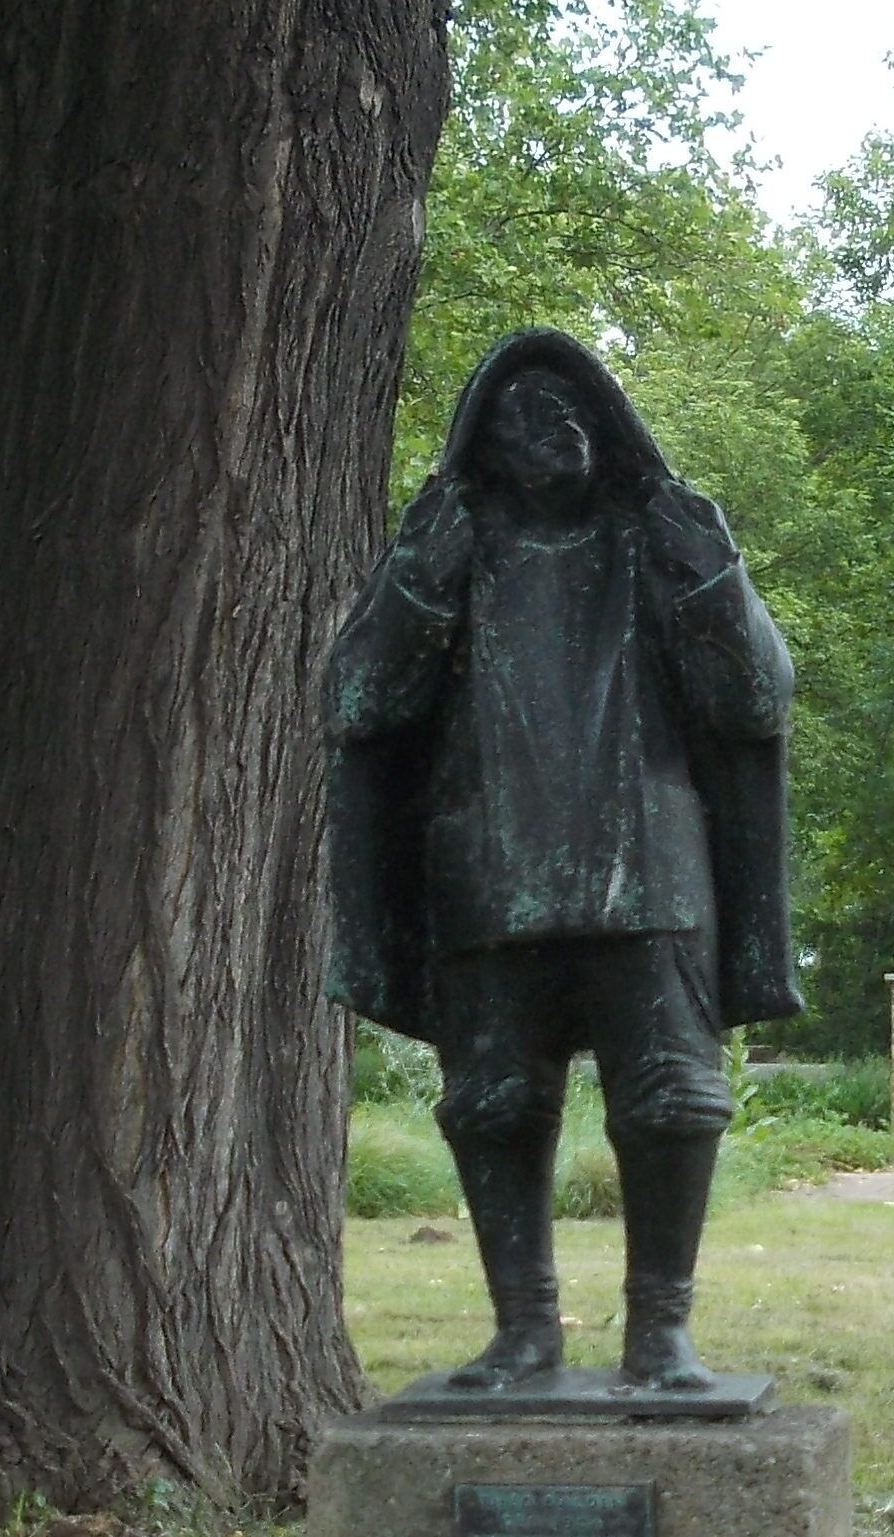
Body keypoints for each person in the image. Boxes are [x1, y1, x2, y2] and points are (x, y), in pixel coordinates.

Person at [324, 329, 796, 1391]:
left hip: (651, 877)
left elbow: (758, 699)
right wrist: (414, 587)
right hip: (489, 879)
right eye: (530, 414)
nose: (564, 427)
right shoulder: (448, 547)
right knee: (492, 1103)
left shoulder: (661, 539)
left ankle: (660, 1334)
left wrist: (715, 575)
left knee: (673, 1098)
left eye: (578, 408)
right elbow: (358, 703)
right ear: (485, 447)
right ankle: (523, 1333)